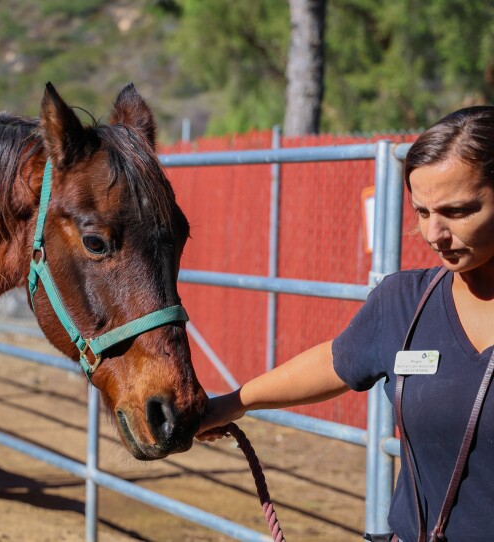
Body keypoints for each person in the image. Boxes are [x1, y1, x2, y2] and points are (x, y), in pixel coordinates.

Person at [195, 106, 494, 542]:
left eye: (458, 210)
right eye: (422, 212)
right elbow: (337, 361)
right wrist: (231, 403)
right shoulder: (404, 302)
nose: (434, 234)